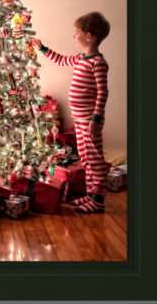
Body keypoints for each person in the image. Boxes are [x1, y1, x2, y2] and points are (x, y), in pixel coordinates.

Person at [32, 12, 111, 213]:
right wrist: (42, 48)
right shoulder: (79, 58)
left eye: (76, 33)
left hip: (89, 120)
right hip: (80, 118)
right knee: (85, 158)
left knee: (94, 159)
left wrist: (96, 117)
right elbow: (61, 60)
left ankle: (98, 199)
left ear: (89, 36)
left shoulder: (97, 63)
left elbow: (103, 92)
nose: (73, 36)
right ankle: (91, 195)